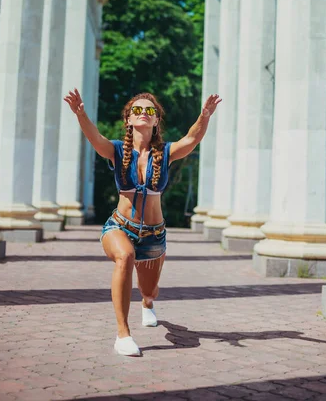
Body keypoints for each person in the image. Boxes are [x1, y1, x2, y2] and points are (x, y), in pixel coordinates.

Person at [64, 88, 221, 356]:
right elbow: (94, 137)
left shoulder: (166, 152)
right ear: (128, 119)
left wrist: (204, 115)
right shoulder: (115, 150)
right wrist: (81, 114)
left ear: (157, 121)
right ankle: (123, 334)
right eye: (137, 109)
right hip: (119, 226)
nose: (144, 113)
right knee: (125, 256)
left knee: (150, 291)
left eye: (150, 110)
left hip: (153, 236)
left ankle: (146, 304)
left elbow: (192, 138)